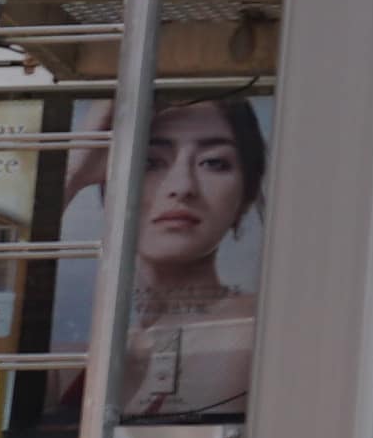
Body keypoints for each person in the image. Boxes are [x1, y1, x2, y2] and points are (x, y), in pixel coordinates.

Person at [79, 98, 268, 419]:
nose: (181, 188)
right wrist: (76, 168)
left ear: (247, 194)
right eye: (149, 162)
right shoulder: (88, 337)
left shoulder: (247, 329)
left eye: (213, 163)